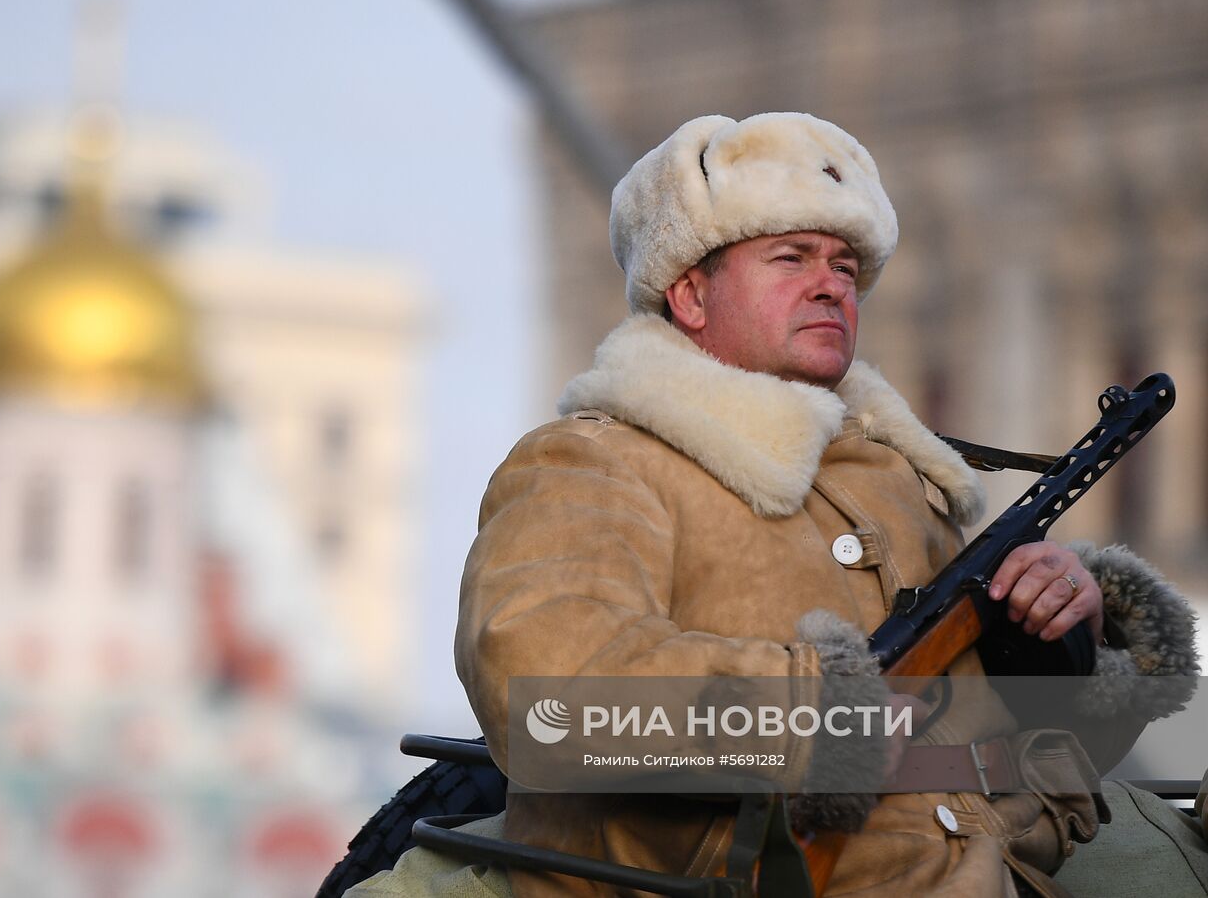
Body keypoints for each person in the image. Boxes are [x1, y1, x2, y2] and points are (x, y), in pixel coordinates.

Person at [352, 113, 1198, 897]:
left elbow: (1042, 754)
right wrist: (806, 715)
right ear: (689, 294)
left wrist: (1064, 635)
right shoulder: (591, 464)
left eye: (844, 266)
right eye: (791, 259)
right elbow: (552, 706)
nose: (831, 287)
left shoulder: (900, 487)